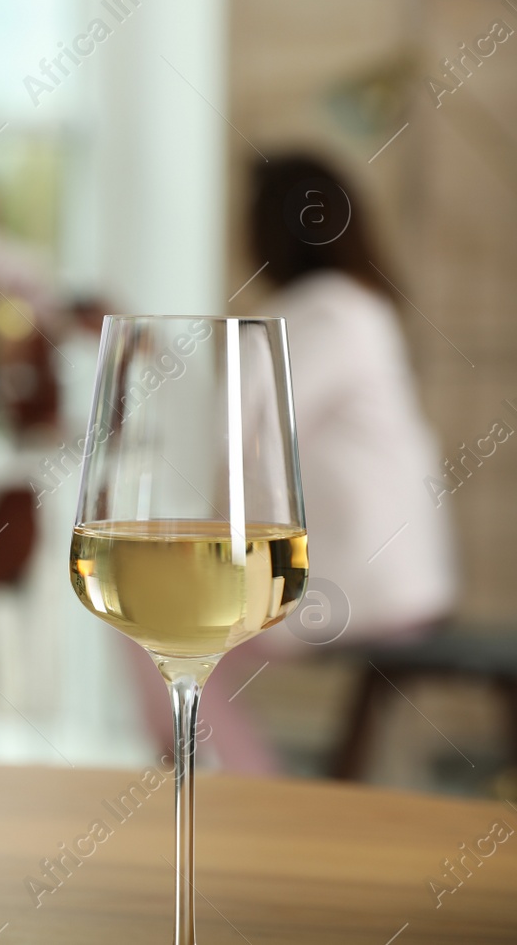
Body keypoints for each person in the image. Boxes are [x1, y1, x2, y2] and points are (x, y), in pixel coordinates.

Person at [133, 153, 457, 773]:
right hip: (392, 574)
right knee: (167, 629)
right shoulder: (354, 308)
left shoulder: (329, 312)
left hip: (369, 584)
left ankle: (241, 791)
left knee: (155, 625)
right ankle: (231, 784)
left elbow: (248, 431)